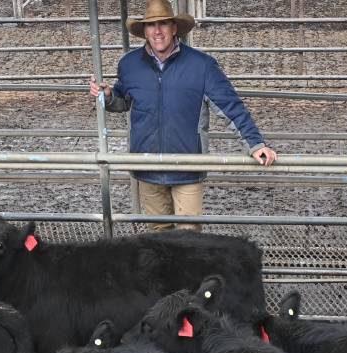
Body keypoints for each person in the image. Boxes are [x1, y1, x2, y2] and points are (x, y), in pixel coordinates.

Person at [89, 0, 278, 230]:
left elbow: (231, 106)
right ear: (144, 31)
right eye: (151, 25)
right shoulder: (129, 65)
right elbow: (122, 101)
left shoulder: (202, 65)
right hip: (147, 167)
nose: (157, 31)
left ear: (174, 28)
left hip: (187, 166)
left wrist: (255, 143)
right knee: (158, 237)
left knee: (189, 239)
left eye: (164, 24)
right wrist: (108, 95)